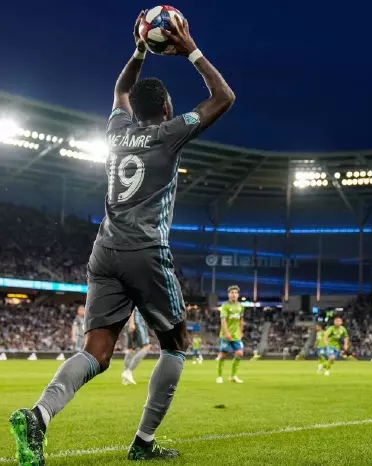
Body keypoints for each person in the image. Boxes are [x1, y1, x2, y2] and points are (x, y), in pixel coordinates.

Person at [8, 11, 234, 463]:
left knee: (96, 350)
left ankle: (39, 416)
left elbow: (120, 90)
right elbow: (223, 97)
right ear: (167, 110)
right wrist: (189, 49)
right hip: (145, 251)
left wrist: (138, 49)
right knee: (176, 344)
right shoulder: (169, 134)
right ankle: (143, 443)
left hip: (104, 250)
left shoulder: (116, 131)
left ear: (135, 109)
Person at [217, 285, 245, 384]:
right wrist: (226, 332)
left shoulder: (241, 306)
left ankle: (233, 376)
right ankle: (219, 376)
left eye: (235, 293)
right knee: (223, 355)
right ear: (228, 294)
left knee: (240, 353)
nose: (233, 294)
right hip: (226, 335)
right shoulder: (225, 306)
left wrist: (241, 331)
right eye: (232, 292)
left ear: (238, 295)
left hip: (236, 335)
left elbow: (241, 320)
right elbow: (223, 321)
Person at [122, 308, 151, 385]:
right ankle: (128, 372)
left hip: (129, 323)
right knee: (146, 347)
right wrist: (132, 323)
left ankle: (125, 377)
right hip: (137, 323)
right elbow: (132, 307)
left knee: (131, 350)